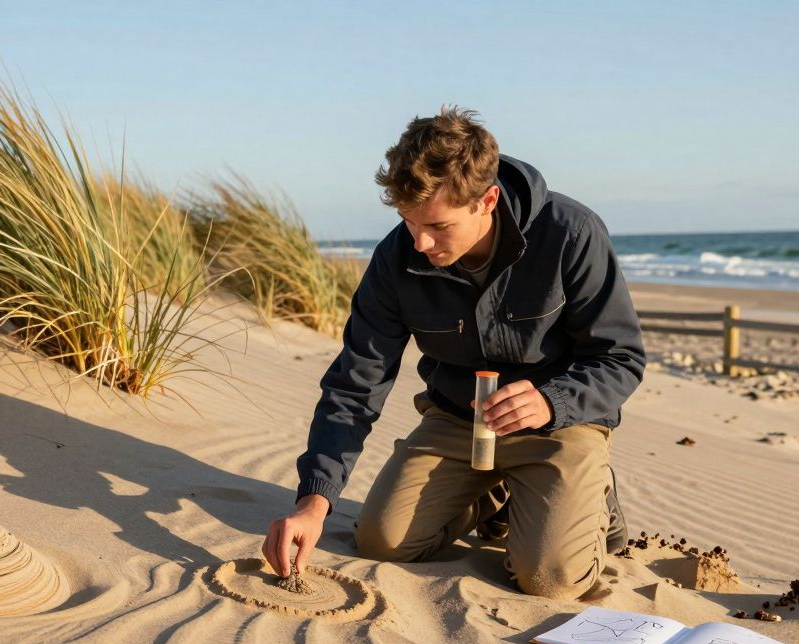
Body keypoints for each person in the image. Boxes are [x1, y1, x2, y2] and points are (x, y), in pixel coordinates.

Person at [260, 106, 645, 600]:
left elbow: (621, 357)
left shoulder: (572, 233)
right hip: (457, 420)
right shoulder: (396, 257)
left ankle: (591, 494)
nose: (419, 242)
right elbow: (356, 382)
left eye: (438, 226)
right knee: (383, 541)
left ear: (487, 200)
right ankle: (503, 493)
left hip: (557, 424)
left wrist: (553, 401)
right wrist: (314, 500)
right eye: (408, 221)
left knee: (549, 580)